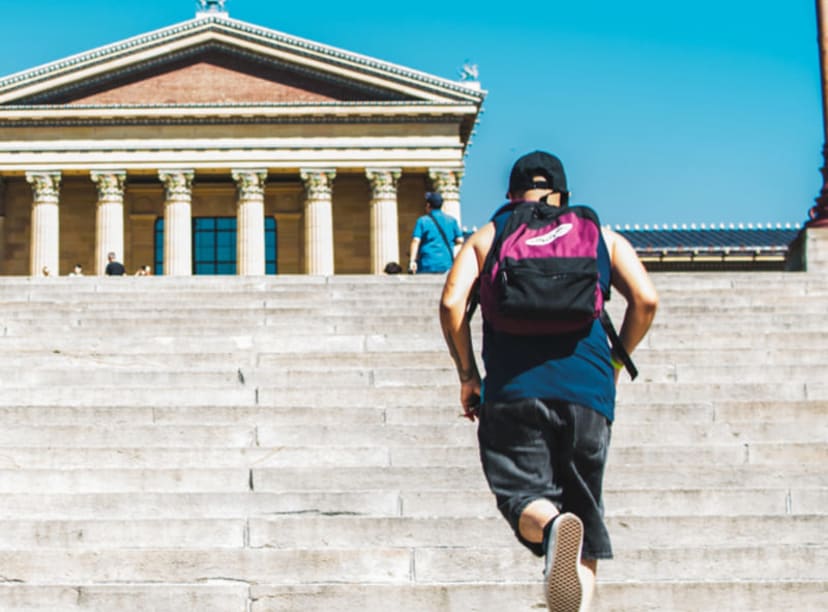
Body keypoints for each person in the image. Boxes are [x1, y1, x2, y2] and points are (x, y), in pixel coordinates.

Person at [439, 150, 658, 611]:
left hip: (513, 391)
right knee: (585, 516)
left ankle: (553, 527)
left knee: (524, 498)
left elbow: (451, 304)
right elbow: (646, 299)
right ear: (564, 194)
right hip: (589, 393)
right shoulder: (599, 235)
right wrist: (617, 364)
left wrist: (468, 376)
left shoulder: (490, 234)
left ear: (511, 195)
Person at [408, 192, 464, 274]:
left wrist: (412, 261)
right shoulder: (452, 221)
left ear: (428, 205)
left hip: (427, 263)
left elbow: (416, 241)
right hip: (447, 264)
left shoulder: (422, 221)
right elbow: (460, 240)